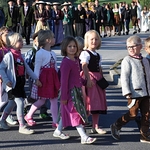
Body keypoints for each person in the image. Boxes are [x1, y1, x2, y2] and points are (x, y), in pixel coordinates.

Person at [53, 36, 96, 144]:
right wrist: (63, 97)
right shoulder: (66, 63)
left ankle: (58, 131)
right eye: (69, 46)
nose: (72, 48)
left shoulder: (76, 60)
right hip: (69, 93)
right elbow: (64, 81)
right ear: (64, 48)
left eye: (74, 46)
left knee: (67, 113)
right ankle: (84, 137)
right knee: (75, 114)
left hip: (77, 92)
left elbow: (76, 77)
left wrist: (85, 82)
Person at [110, 35, 150, 143]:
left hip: (146, 93)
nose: (131, 49)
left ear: (140, 46)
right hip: (134, 93)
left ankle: (144, 135)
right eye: (128, 47)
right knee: (133, 114)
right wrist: (127, 92)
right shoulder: (127, 60)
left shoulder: (145, 60)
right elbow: (124, 77)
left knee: (147, 114)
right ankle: (116, 125)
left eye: (134, 46)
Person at [0, 32, 41, 134]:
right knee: (20, 103)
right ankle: (22, 126)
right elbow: (1, 68)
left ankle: (2, 120)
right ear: (13, 43)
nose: (21, 42)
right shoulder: (9, 56)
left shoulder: (20, 56)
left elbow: (28, 69)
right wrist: (6, 80)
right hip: (12, 85)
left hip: (20, 84)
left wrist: (36, 79)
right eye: (19, 41)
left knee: (11, 104)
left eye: (21, 40)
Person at [24, 30, 60, 128]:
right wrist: (36, 80)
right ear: (48, 40)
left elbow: (55, 68)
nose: (54, 39)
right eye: (53, 37)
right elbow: (37, 68)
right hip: (44, 79)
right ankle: (28, 115)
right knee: (42, 100)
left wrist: (58, 79)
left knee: (54, 99)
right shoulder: (40, 53)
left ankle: (55, 121)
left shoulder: (53, 53)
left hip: (52, 79)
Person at [79, 30, 107, 135]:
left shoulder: (98, 55)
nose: (94, 41)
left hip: (97, 79)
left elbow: (99, 68)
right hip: (89, 78)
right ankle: (82, 124)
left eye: (96, 39)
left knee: (97, 103)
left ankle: (96, 125)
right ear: (87, 41)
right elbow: (84, 66)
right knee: (87, 101)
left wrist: (102, 80)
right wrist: (88, 79)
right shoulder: (85, 53)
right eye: (91, 39)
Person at [24, 30, 51, 120]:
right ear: (35, 41)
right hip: (34, 77)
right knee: (34, 96)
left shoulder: (47, 51)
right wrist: (27, 75)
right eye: (38, 39)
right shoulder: (31, 52)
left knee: (45, 95)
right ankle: (26, 103)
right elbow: (27, 64)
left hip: (45, 77)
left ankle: (43, 111)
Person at [0, 26, 18, 125]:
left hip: (10, 78)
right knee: (3, 99)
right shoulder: (0, 50)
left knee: (10, 99)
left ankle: (8, 116)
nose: (8, 37)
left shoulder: (10, 50)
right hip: (2, 78)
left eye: (9, 35)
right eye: (6, 35)